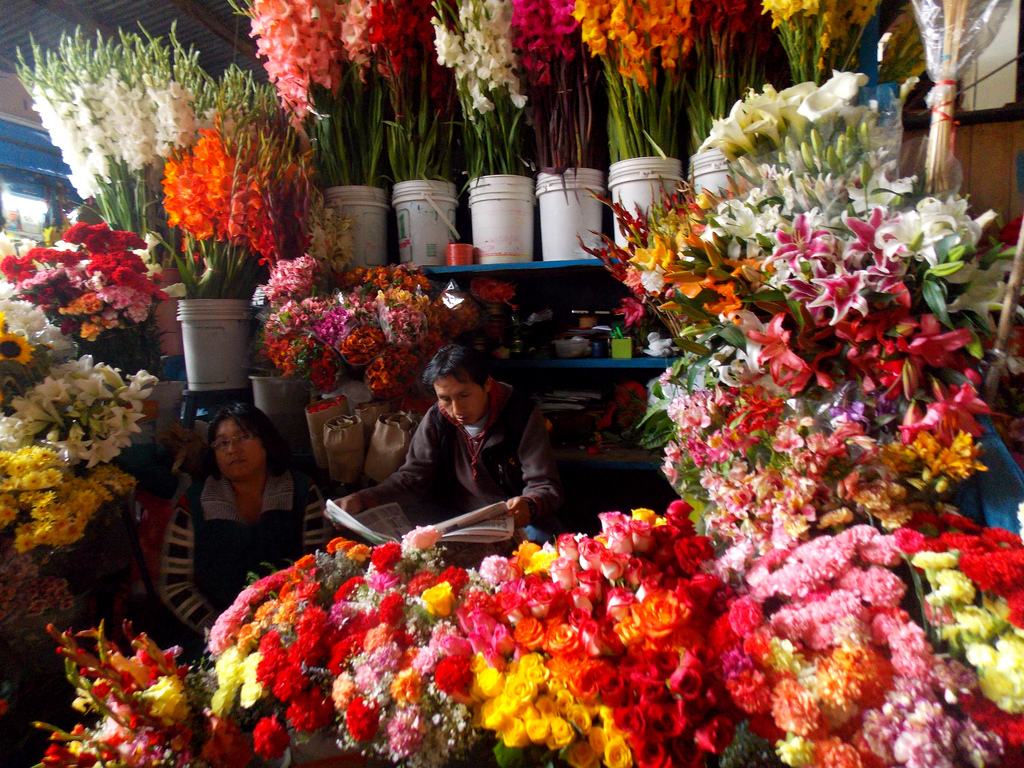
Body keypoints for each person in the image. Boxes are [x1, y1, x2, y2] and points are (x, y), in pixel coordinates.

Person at [333, 344, 564, 537]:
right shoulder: (437, 419)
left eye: (464, 395)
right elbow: (411, 479)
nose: (457, 410)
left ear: (486, 384)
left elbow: (545, 485)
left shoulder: (520, 414)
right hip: (455, 515)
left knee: (544, 535)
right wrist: (363, 499)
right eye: (445, 399)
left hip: (509, 517)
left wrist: (529, 505)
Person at [157, 404, 330, 632]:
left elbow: (317, 567)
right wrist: (221, 631)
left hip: (295, 623)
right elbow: (174, 584)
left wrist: (289, 623)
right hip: (217, 632)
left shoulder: (302, 491)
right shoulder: (194, 504)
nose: (232, 449)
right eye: (222, 442)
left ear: (266, 442)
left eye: (243, 437)